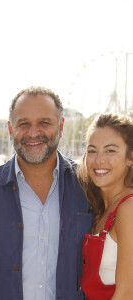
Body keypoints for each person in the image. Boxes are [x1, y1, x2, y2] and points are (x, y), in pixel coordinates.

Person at [0, 86, 93, 300]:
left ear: (61, 127)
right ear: (10, 129)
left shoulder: (87, 187)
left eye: (44, 123)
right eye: (23, 124)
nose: (33, 132)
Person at [78, 113, 133, 299]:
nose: (99, 159)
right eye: (92, 150)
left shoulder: (129, 208)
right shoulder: (98, 208)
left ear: (130, 157)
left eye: (110, 151)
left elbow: (127, 293)